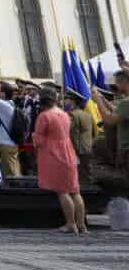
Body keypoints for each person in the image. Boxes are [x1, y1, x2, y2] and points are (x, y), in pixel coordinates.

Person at [34, 86, 85, 234]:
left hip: (53, 154)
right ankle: (81, 224)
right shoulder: (64, 114)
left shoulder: (44, 116)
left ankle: (70, 224)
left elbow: (39, 139)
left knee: (62, 191)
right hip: (68, 152)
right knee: (75, 190)